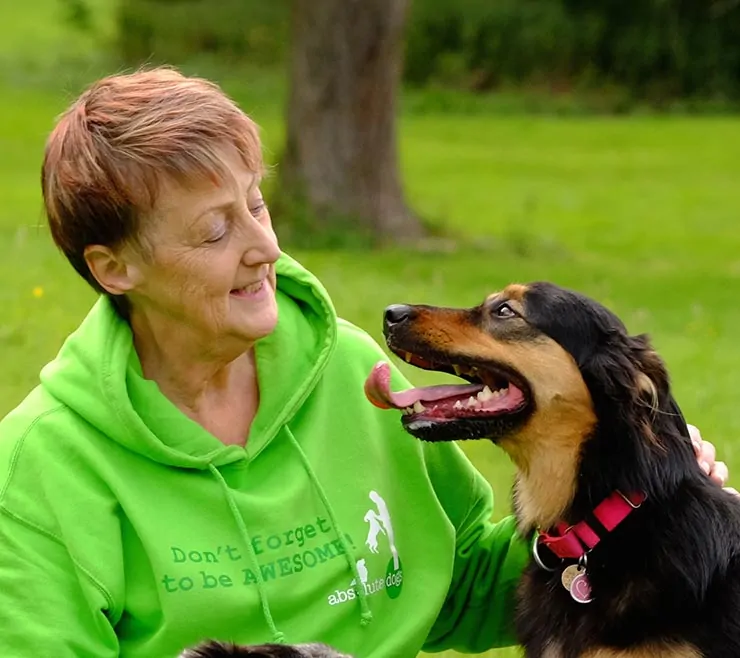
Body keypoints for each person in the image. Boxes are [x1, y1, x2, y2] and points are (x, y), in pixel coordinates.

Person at [0, 67, 729, 658]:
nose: (264, 249)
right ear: (114, 267)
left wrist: (624, 521)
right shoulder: (40, 468)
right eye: (215, 230)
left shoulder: (345, 367)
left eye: (257, 205)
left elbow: (465, 585)